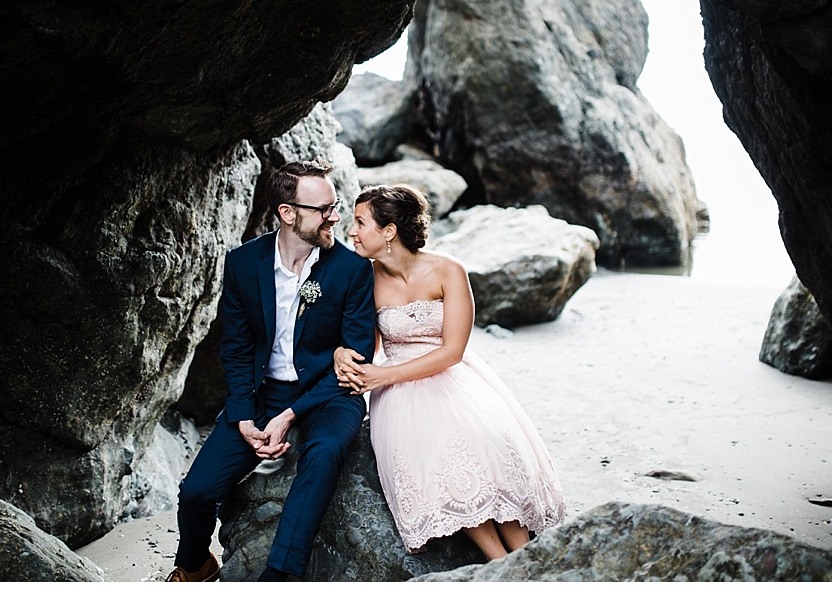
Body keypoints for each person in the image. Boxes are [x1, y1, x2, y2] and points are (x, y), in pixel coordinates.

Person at [168, 160, 376, 582]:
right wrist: (244, 414)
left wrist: (289, 416)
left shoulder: (352, 269)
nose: (334, 216)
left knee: (323, 454)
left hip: (329, 392)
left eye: (335, 205)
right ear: (287, 213)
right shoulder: (243, 263)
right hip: (261, 396)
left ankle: (281, 576)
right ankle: (194, 564)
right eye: (324, 209)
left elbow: (356, 355)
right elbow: (237, 347)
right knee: (196, 491)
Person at [334, 184, 566, 561]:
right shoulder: (364, 278)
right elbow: (368, 344)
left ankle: (525, 556)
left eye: (360, 223)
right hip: (399, 389)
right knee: (441, 452)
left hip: (450, 373)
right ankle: (499, 560)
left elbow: (453, 351)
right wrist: (341, 353)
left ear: (389, 231)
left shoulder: (448, 269)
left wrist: (381, 376)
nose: (352, 231)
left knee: (485, 442)